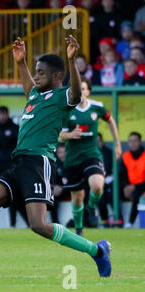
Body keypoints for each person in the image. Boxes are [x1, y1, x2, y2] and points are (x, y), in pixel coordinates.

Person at [0, 35, 113, 278]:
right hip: (18, 164)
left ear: (57, 76)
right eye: (35, 72)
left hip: (39, 163)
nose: (36, 77)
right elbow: (29, 87)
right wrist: (21, 63)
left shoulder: (62, 98)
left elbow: (76, 95)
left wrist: (71, 61)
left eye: (41, 73)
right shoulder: (35, 96)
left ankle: (97, 251)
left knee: (38, 225)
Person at [59, 77, 121, 236]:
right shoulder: (67, 110)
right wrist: (70, 134)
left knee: (97, 185)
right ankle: (79, 228)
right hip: (72, 159)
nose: (80, 91)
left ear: (88, 91)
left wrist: (118, 144)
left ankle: (92, 206)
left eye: (83, 88)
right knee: (77, 198)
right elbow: (59, 135)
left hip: (92, 155)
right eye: (77, 88)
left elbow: (111, 121)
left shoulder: (97, 107)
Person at [120, 132, 145, 228]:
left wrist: (134, 187)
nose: (133, 143)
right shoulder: (126, 156)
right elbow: (121, 175)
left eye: (135, 141)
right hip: (129, 186)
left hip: (141, 187)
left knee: (136, 196)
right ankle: (118, 220)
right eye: (130, 141)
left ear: (139, 142)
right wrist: (125, 187)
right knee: (111, 193)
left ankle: (130, 222)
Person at [50, 142, 69, 224]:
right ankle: (55, 222)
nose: (62, 155)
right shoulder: (54, 164)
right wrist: (54, 186)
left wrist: (63, 188)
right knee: (52, 196)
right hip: (60, 191)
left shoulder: (71, 163)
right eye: (59, 152)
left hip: (71, 189)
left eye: (64, 152)